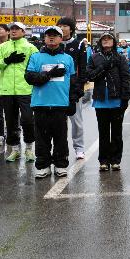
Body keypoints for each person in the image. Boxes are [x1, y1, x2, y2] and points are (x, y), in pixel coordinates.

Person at [23, 26, 76, 178]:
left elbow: (73, 82)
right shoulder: (35, 57)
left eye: (55, 35)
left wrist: (72, 100)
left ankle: (60, 164)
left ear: (61, 38)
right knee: (42, 137)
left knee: (60, 137)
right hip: (41, 104)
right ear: (44, 38)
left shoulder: (68, 58)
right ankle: (43, 165)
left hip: (60, 104)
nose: (51, 38)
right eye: (49, 36)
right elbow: (30, 78)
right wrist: (49, 74)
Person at [0, 21, 39, 162]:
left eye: (17, 29)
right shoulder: (2, 47)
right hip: (7, 90)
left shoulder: (31, 48)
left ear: (23, 32)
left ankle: (29, 148)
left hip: (25, 88)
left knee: (28, 119)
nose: (13, 31)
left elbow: (36, 67)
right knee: (11, 121)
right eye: (12, 29)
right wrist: (7, 60)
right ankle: (15, 149)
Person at [87, 32, 130, 171]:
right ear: (100, 42)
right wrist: (103, 66)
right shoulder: (94, 57)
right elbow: (90, 76)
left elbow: (125, 78)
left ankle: (116, 160)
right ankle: (103, 161)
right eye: (103, 39)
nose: (106, 41)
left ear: (114, 41)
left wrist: (125, 98)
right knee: (103, 132)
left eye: (109, 39)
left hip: (117, 100)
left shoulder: (120, 57)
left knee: (117, 132)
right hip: (101, 100)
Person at [58, 17, 88, 160]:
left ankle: (79, 148)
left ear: (71, 29)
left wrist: (80, 87)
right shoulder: (53, 45)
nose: (63, 28)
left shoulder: (78, 45)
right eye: (60, 26)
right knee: (59, 121)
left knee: (76, 121)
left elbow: (82, 68)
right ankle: (61, 149)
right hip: (56, 90)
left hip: (73, 89)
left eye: (65, 26)